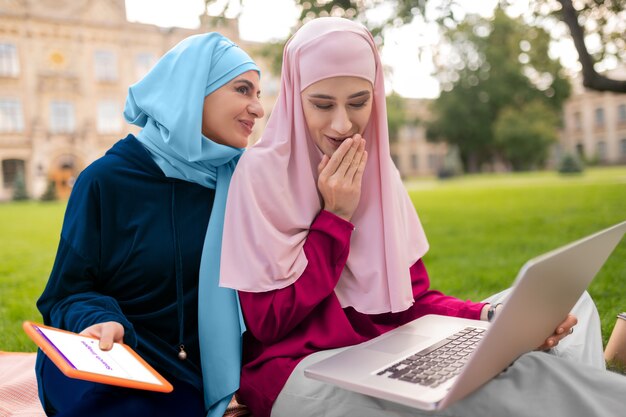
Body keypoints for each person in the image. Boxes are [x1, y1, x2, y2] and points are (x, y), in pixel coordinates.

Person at [219, 17, 626, 417]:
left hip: (390, 349)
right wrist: (335, 218)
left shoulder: (380, 172)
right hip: (298, 369)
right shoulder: (260, 174)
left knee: (570, 309)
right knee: (497, 389)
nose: (342, 124)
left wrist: (488, 316)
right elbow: (268, 323)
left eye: (359, 103)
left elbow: (411, 302)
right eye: (322, 104)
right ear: (293, 98)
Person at [35, 33, 264, 417]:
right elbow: (65, 294)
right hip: (115, 361)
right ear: (193, 91)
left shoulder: (243, 182)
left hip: (190, 375)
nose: (257, 108)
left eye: (259, 94)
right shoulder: (106, 180)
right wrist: (100, 320)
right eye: (243, 90)